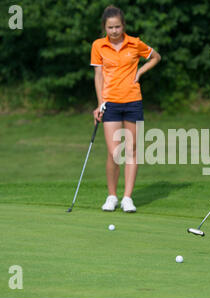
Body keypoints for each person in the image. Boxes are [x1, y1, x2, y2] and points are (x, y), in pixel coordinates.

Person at [91, 5, 161, 212]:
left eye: (118, 27)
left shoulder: (135, 43)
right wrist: (99, 103)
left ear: (124, 26)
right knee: (114, 153)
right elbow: (98, 76)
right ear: (105, 27)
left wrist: (140, 72)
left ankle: (127, 198)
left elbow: (156, 57)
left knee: (131, 150)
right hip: (110, 102)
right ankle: (112, 196)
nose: (114, 31)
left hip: (133, 101)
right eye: (110, 27)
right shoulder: (98, 46)